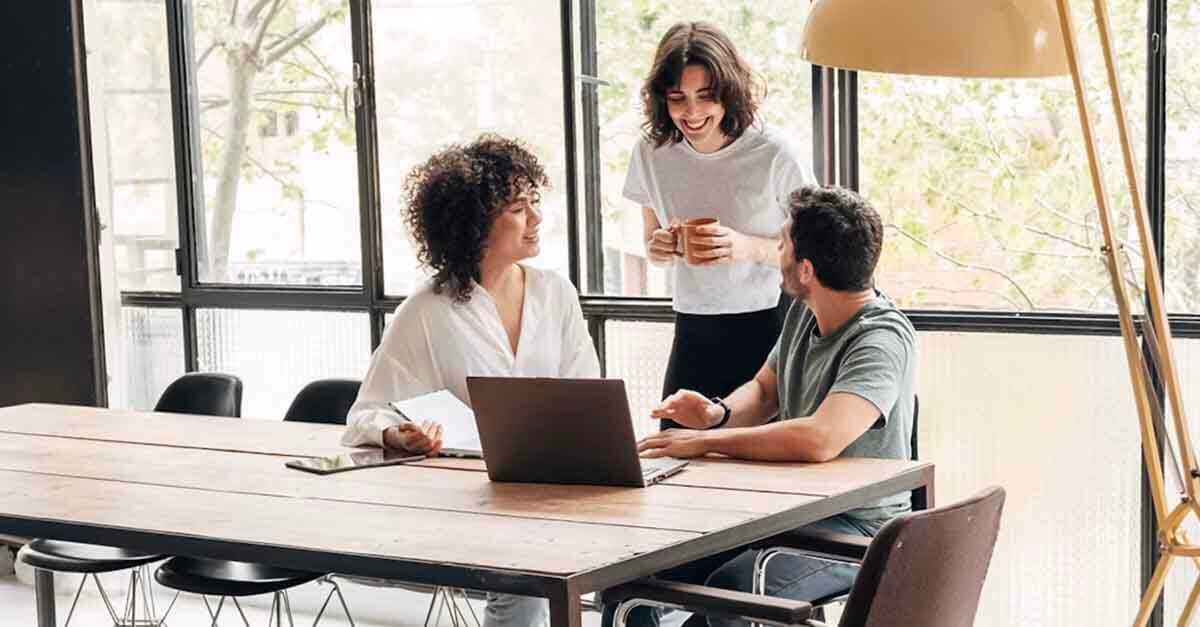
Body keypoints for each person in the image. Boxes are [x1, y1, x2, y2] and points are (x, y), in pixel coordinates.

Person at [603, 185, 917, 627]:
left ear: (805, 269)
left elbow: (819, 439)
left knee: (727, 601)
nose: (776, 252)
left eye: (783, 243)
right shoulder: (805, 312)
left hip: (854, 530)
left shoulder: (880, 338)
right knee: (628, 582)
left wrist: (703, 444)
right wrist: (717, 414)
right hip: (781, 513)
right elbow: (765, 391)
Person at [342, 134, 600, 627]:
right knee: (525, 580)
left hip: (561, 489)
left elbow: (587, 396)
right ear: (475, 224)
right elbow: (365, 415)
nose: (537, 219)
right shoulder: (427, 311)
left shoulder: (555, 293)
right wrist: (400, 433)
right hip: (472, 504)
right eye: (519, 208)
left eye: (534, 204)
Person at [625, 21, 816, 427]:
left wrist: (744, 248)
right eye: (677, 98)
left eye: (705, 97)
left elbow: (813, 251)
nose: (691, 113)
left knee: (761, 468)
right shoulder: (651, 153)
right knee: (676, 452)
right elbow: (651, 242)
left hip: (768, 323)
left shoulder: (773, 153)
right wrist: (658, 247)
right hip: (693, 323)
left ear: (729, 92)